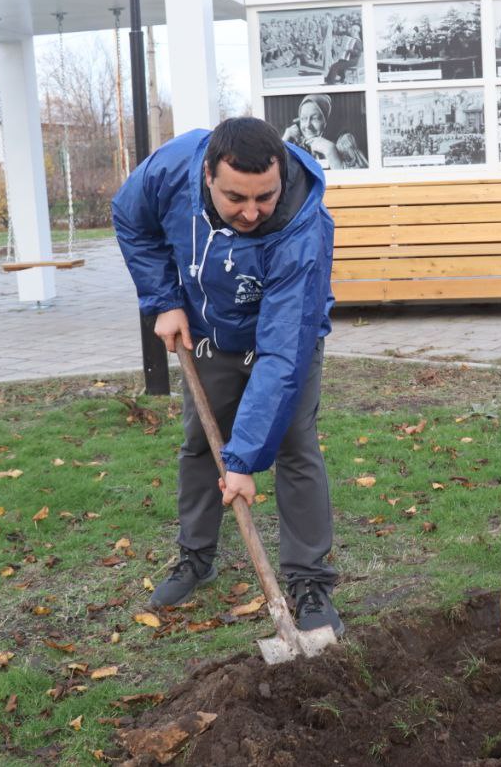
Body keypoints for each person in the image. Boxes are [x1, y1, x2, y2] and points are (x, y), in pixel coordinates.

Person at [112, 117, 343, 636]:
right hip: (208, 331)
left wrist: (243, 462)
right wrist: (163, 300)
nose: (252, 212)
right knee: (200, 443)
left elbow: (282, 356)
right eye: (236, 197)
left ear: (281, 174)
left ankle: (308, 581)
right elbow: (131, 218)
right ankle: (196, 557)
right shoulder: (170, 170)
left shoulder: (302, 227)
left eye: (265, 197)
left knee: (295, 444)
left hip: (287, 333)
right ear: (207, 177)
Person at [281, 93, 368, 170]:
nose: (307, 125)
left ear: (327, 120)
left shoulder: (344, 141)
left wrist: (330, 151)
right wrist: (283, 143)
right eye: (303, 119)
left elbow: (360, 180)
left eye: (315, 118)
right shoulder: (299, 143)